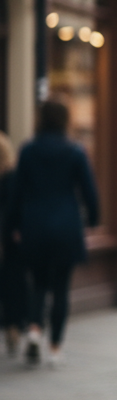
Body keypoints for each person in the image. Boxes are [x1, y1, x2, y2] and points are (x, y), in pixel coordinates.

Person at [5, 102, 100, 367]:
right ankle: (55, 347)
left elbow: (16, 194)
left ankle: (34, 329)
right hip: (66, 227)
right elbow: (89, 192)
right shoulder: (75, 151)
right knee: (60, 288)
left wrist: (11, 227)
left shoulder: (28, 151)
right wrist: (92, 220)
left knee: (38, 283)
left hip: (34, 226)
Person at [0, 131, 25, 357]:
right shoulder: (13, 177)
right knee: (12, 285)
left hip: (8, 240)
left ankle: (12, 328)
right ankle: (13, 327)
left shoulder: (11, 178)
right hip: (10, 240)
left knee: (11, 284)